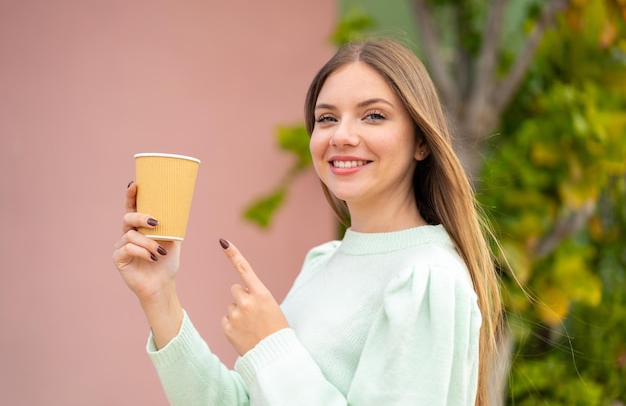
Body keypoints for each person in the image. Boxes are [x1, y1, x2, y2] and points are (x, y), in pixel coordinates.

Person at [113, 37, 502, 405]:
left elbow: (277, 370)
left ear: (421, 141)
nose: (342, 136)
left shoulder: (427, 278)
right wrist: (159, 296)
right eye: (327, 118)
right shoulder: (323, 261)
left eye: (374, 115)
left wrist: (271, 346)